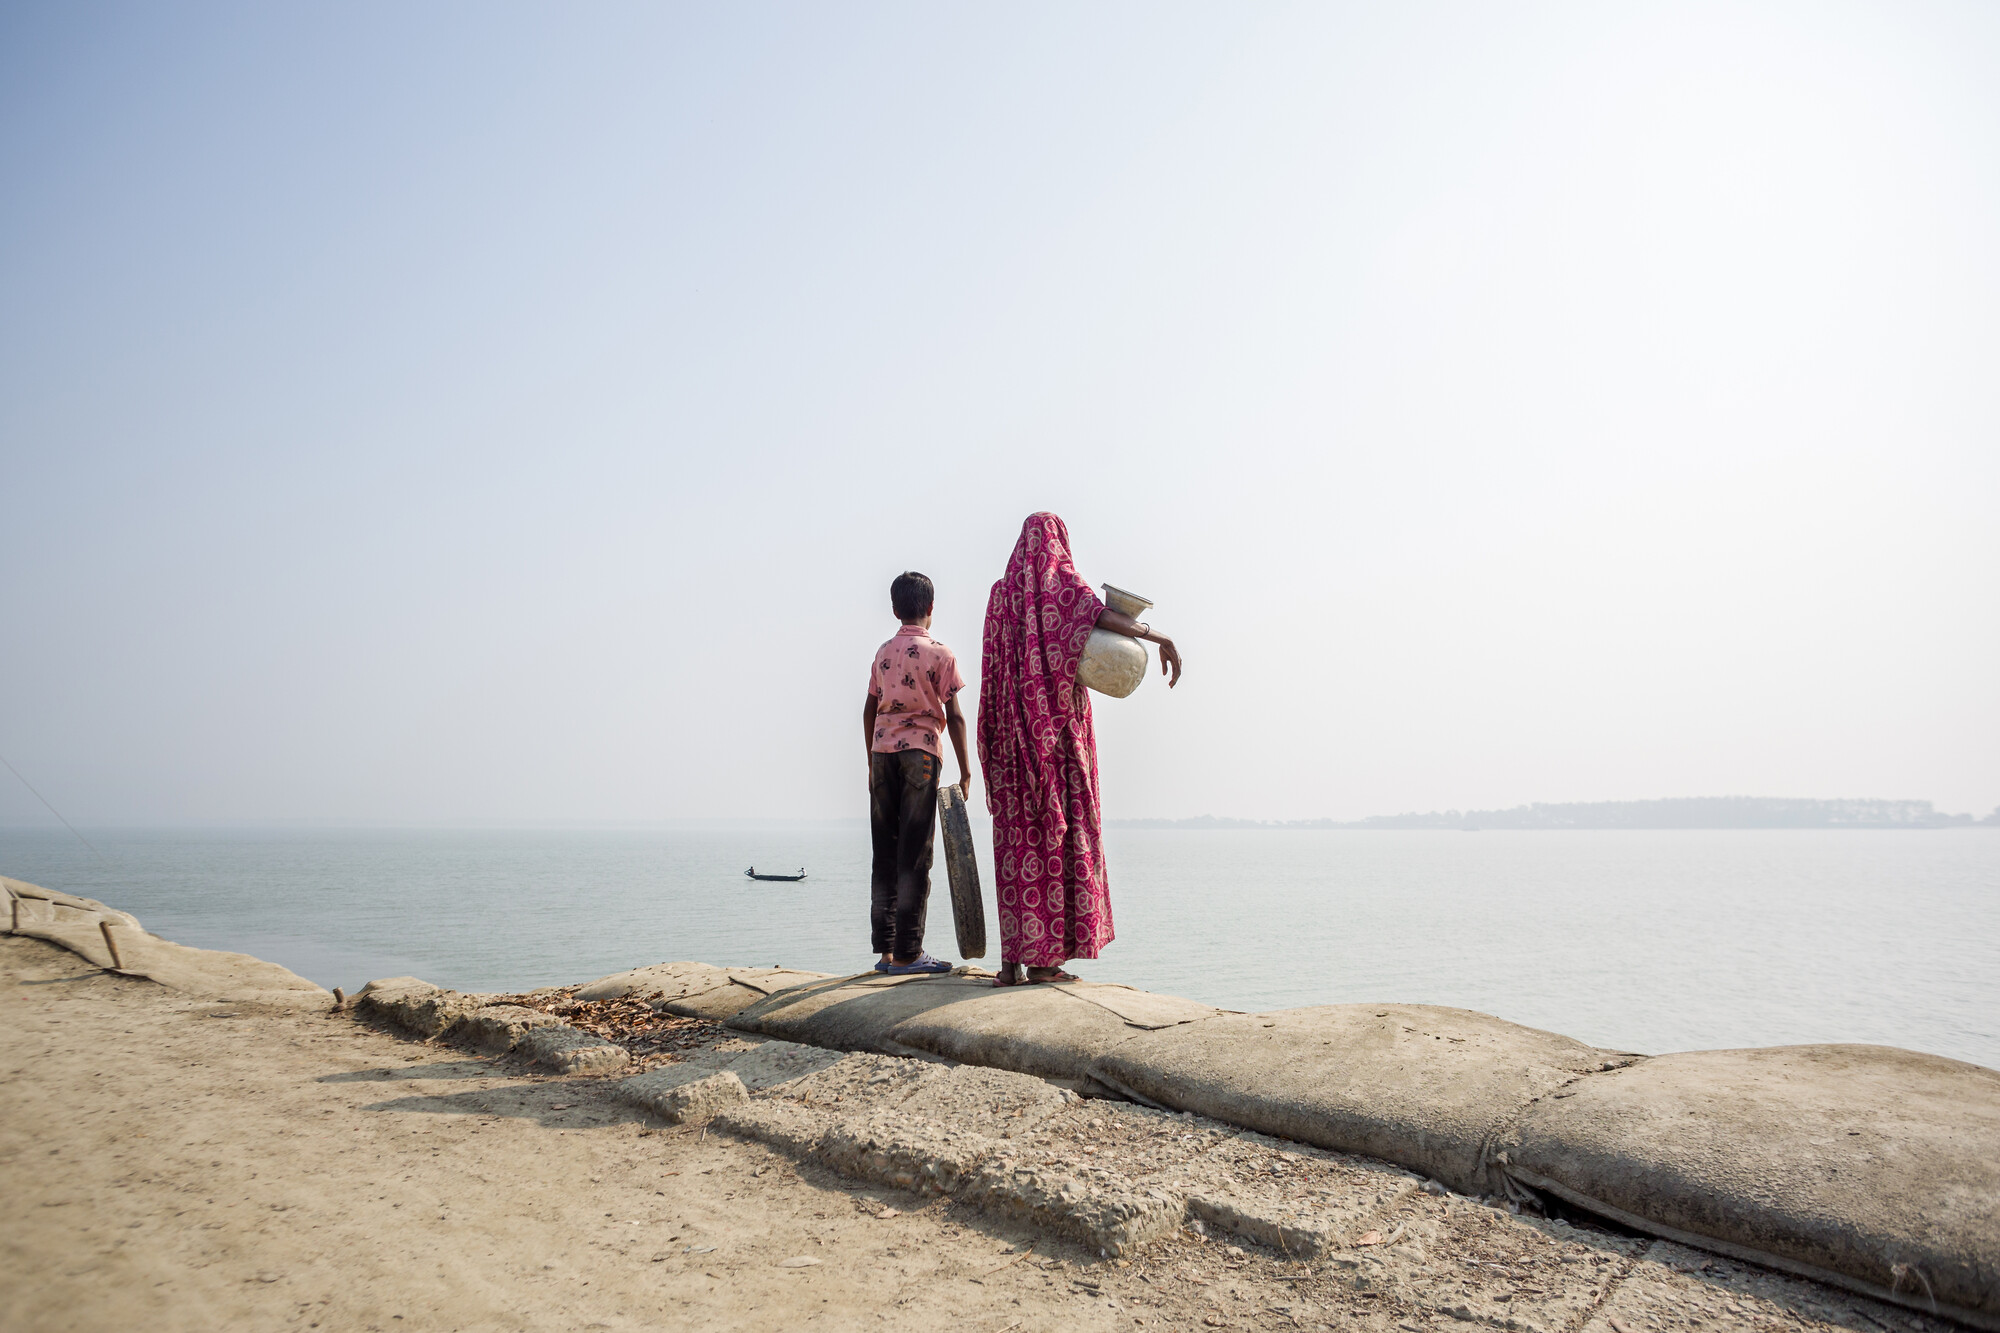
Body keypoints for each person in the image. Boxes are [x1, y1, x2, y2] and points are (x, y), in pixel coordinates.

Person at [978, 513, 1182, 986]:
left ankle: (1012, 963)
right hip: (1054, 739)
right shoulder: (1056, 581)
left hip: (1010, 739)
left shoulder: (999, 596)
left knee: (1015, 843)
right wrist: (1159, 635)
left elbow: (990, 666)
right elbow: (1099, 616)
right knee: (1055, 838)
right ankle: (1045, 963)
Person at [862, 570, 972, 976]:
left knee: (884, 854)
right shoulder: (941, 654)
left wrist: (870, 760)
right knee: (915, 856)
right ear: (930, 608)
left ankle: (886, 953)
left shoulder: (884, 652)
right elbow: (955, 717)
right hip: (921, 757)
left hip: (881, 756)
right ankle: (909, 953)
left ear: (894, 609)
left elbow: (869, 709)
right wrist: (965, 772)